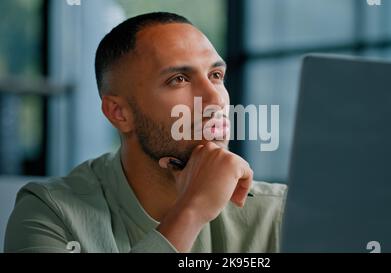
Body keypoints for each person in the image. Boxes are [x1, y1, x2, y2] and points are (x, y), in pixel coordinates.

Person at [4, 12, 287, 253]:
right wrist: (192, 212)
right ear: (119, 113)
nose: (216, 101)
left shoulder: (278, 213)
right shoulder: (51, 215)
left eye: (216, 76)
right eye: (179, 79)